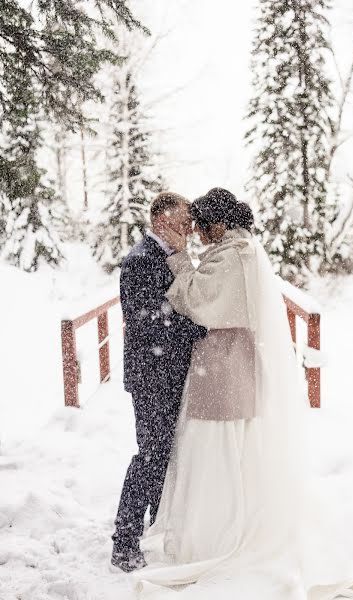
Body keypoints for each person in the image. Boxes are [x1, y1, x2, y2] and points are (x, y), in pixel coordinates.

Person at [132, 188, 353, 600]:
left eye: (200, 228)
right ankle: (218, 528)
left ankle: (215, 537)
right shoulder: (241, 251)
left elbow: (192, 299)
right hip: (228, 365)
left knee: (214, 451)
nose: (196, 236)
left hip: (223, 367)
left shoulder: (232, 256)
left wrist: (177, 258)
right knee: (224, 453)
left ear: (218, 224)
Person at [111, 192, 206, 572]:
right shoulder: (140, 260)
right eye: (183, 223)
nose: (189, 230)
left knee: (164, 455)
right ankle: (124, 539)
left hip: (169, 374)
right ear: (161, 221)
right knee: (150, 457)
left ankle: (154, 524)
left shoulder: (170, 258)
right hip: (151, 376)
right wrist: (198, 327)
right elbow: (147, 322)